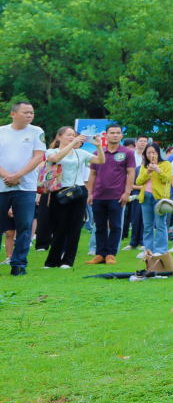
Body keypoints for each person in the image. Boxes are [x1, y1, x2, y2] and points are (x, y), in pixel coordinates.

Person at [42, 127, 103, 269]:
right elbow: (55, 159)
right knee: (58, 226)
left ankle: (67, 261)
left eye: (73, 135)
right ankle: (52, 261)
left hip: (78, 191)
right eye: (68, 135)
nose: (71, 137)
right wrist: (73, 143)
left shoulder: (80, 153)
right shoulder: (52, 151)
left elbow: (100, 160)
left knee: (74, 227)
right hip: (59, 190)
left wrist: (99, 146)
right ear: (59, 137)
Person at [0, 102, 46, 276]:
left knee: (25, 225)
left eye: (32, 112)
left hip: (25, 187)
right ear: (13, 114)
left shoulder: (36, 131)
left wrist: (18, 175)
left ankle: (18, 264)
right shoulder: (1, 131)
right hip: (1, 186)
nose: (29, 115)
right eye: (25, 112)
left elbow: (39, 156)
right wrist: (6, 176)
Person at [84, 123, 135, 265]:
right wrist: (90, 193)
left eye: (118, 133)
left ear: (122, 135)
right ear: (106, 135)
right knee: (99, 226)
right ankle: (100, 254)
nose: (115, 135)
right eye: (112, 133)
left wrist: (127, 192)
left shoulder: (127, 153)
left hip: (117, 196)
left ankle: (111, 254)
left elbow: (131, 173)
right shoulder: (97, 153)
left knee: (115, 226)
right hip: (99, 195)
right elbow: (93, 174)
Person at [136, 143, 173, 256]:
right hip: (146, 197)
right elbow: (138, 182)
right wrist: (148, 172)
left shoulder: (165, 164)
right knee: (147, 225)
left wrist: (158, 170)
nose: (151, 155)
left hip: (159, 198)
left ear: (158, 153)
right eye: (148, 153)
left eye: (153, 152)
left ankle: (160, 249)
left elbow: (168, 179)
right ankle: (148, 249)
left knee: (160, 224)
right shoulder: (144, 166)